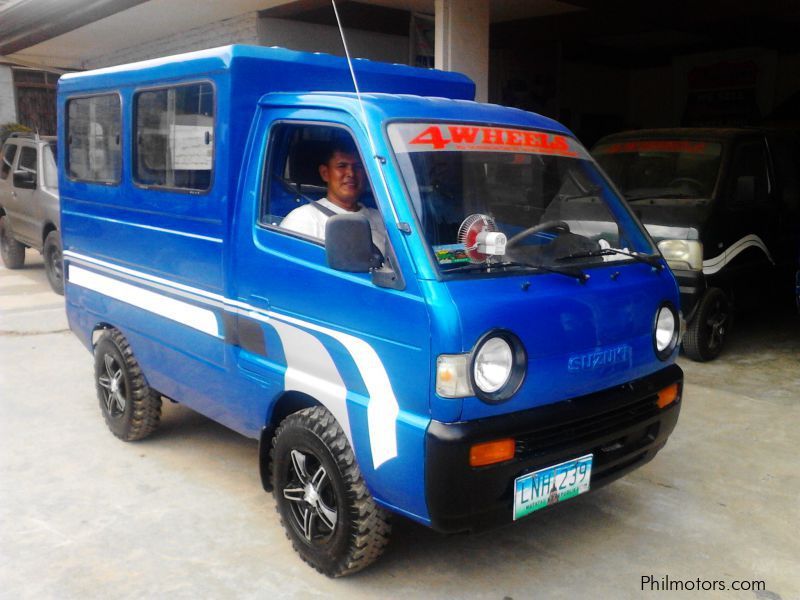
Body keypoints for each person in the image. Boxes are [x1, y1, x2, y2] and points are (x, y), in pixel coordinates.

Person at [281, 139, 387, 251]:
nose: (351, 173)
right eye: (342, 166)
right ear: (325, 173)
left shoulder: (382, 219)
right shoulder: (303, 220)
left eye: (358, 166)